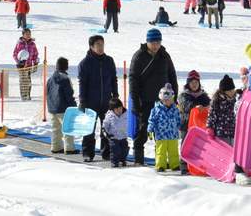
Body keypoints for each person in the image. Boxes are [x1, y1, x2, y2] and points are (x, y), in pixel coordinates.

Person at [128, 27, 178, 166]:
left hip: (163, 101)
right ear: (147, 42)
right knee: (143, 131)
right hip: (145, 100)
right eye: (153, 42)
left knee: (162, 133)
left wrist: (175, 97)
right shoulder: (139, 56)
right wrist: (135, 101)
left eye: (158, 42)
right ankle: (138, 159)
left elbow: (172, 75)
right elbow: (133, 80)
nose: (156, 45)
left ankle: (160, 160)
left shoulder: (164, 55)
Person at [77, 35, 118, 162]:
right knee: (89, 128)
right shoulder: (85, 63)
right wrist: (83, 100)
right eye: (98, 45)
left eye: (102, 44)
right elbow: (82, 83)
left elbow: (113, 79)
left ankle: (106, 152)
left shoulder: (109, 61)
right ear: (91, 46)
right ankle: (87, 153)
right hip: (91, 101)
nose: (100, 47)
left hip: (106, 100)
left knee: (107, 127)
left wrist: (115, 95)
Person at [147, 85, 183, 172]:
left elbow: (178, 119)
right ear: (161, 100)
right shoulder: (156, 109)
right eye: (165, 100)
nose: (167, 101)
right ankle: (160, 165)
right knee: (161, 151)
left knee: (173, 151)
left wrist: (180, 127)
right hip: (161, 135)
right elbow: (152, 120)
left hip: (172, 135)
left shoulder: (175, 109)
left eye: (169, 100)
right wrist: (150, 130)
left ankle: (174, 165)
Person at [46, 56, 77, 153]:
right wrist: (74, 106)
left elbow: (47, 93)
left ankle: (55, 147)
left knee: (56, 129)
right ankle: (69, 148)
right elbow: (69, 94)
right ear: (66, 67)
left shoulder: (50, 79)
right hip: (63, 108)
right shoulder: (65, 78)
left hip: (52, 107)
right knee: (67, 128)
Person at [207, 74, 238, 145]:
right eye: (229, 91)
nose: (232, 92)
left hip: (232, 132)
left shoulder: (234, 100)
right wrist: (210, 128)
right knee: (223, 152)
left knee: (231, 151)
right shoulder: (217, 101)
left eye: (233, 90)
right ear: (223, 91)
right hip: (221, 133)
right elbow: (211, 116)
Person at [13, 27, 38, 100]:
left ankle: (28, 95)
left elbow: (35, 54)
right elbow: (15, 54)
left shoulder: (32, 44)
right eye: (26, 34)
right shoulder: (19, 43)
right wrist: (19, 62)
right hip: (21, 66)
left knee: (28, 81)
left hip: (29, 66)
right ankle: (23, 96)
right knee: (23, 80)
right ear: (23, 35)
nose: (28, 35)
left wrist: (35, 63)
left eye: (29, 34)